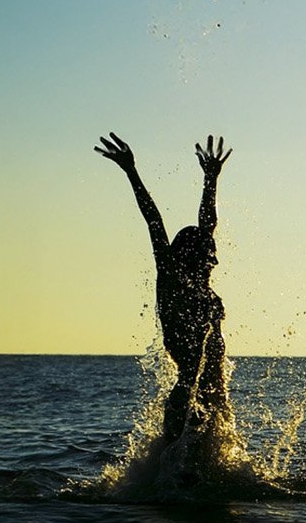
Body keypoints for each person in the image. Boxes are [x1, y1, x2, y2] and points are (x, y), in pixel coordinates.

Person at [95, 132, 233, 445]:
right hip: (187, 401)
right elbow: (154, 222)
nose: (215, 260)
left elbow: (207, 223)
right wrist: (131, 172)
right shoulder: (173, 281)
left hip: (214, 398)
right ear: (193, 257)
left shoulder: (199, 283)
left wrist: (210, 180)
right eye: (209, 255)